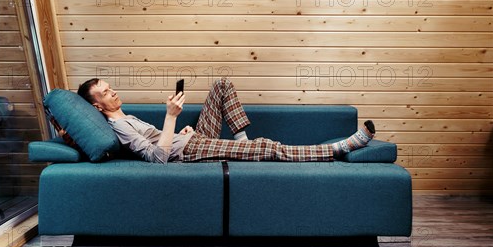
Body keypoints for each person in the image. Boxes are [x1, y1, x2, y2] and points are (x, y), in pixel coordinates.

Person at [77, 78, 375, 164]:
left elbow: (161, 139)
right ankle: (337, 148)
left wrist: (180, 129)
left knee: (221, 85)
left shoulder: (125, 115)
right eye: (105, 92)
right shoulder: (119, 127)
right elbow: (158, 158)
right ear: (96, 105)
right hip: (189, 152)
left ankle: (241, 144)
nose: (112, 91)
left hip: (190, 139)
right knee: (269, 147)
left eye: (110, 87)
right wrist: (170, 117)